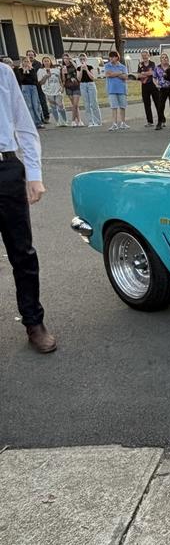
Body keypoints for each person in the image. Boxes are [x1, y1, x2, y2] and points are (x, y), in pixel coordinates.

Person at [0, 61, 56, 352]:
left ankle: (34, 322)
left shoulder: (3, 72)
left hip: (6, 168)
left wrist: (34, 175)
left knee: (22, 253)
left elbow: (24, 124)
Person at [14, 55, 44, 128]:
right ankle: (32, 123)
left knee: (35, 105)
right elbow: (21, 80)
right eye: (25, 61)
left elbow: (34, 80)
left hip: (33, 88)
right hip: (25, 87)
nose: (26, 63)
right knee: (29, 105)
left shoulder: (32, 70)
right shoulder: (20, 70)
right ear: (22, 62)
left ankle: (38, 122)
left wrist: (29, 71)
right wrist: (24, 72)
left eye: (28, 61)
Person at [37, 56, 68, 127]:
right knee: (53, 106)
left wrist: (62, 87)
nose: (46, 62)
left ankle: (65, 121)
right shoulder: (40, 71)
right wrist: (46, 76)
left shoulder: (56, 69)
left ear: (50, 61)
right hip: (48, 91)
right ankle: (58, 121)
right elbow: (41, 82)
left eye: (48, 61)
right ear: (43, 62)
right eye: (45, 61)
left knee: (60, 105)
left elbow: (60, 80)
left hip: (57, 89)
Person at [104, 50, 130, 130]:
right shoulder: (107, 66)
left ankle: (123, 123)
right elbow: (108, 74)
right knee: (113, 107)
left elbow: (125, 77)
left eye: (113, 57)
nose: (111, 58)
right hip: (111, 89)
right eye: (110, 57)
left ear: (117, 57)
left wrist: (114, 74)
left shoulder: (122, 66)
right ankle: (114, 124)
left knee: (122, 106)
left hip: (122, 89)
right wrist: (119, 73)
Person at [137, 50, 161, 128]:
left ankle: (161, 120)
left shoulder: (152, 63)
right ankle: (149, 121)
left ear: (148, 55)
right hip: (144, 85)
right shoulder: (140, 65)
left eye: (145, 55)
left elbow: (153, 73)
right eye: (143, 55)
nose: (144, 57)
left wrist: (144, 73)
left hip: (153, 85)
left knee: (158, 103)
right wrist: (145, 73)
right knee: (147, 104)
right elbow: (139, 75)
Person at [76, 54, 102, 127]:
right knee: (86, 104)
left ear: (86, 59)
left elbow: (92, 77)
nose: (82, 60)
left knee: (94, 103)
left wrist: (86, 69)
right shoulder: (78, 68)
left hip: (90, 84)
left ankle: (98, 121)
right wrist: (81, 69)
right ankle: (91, 121)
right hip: (83, 85)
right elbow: (79, 79)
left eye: (83, 59)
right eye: (81, 59)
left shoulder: (90, 67)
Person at [154, 52, 170, 129]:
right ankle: (160, 122)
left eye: (165, 57)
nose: (164, 59)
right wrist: (156, 84)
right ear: (160, 60)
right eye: (162, 58)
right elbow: (154, 77)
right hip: (162, 88)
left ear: (168, 59)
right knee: (160, 106)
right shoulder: (157, 68)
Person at [61, 53, 83, 126]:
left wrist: (72, 61)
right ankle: (78, 121)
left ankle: (74, 120)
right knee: (74, 104)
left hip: (76, 85)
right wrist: (63, 73)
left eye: (67, 58)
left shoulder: (74, 65)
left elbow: (78, 68)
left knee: (75, 104)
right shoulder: (63, 67)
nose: (66, 60)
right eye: (64, 58)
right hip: (68, 86)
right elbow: (63, 79)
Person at [26, 50, 48, 123]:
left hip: (38, 85)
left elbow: (37, 73)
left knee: (42, 101)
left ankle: (46, 116)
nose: (30, 56)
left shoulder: (38, 64)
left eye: (32, 55)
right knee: (35, 103)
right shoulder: (25, 64)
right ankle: (38, 117)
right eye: (29, 55)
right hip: (30, 85)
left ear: (34, 55)